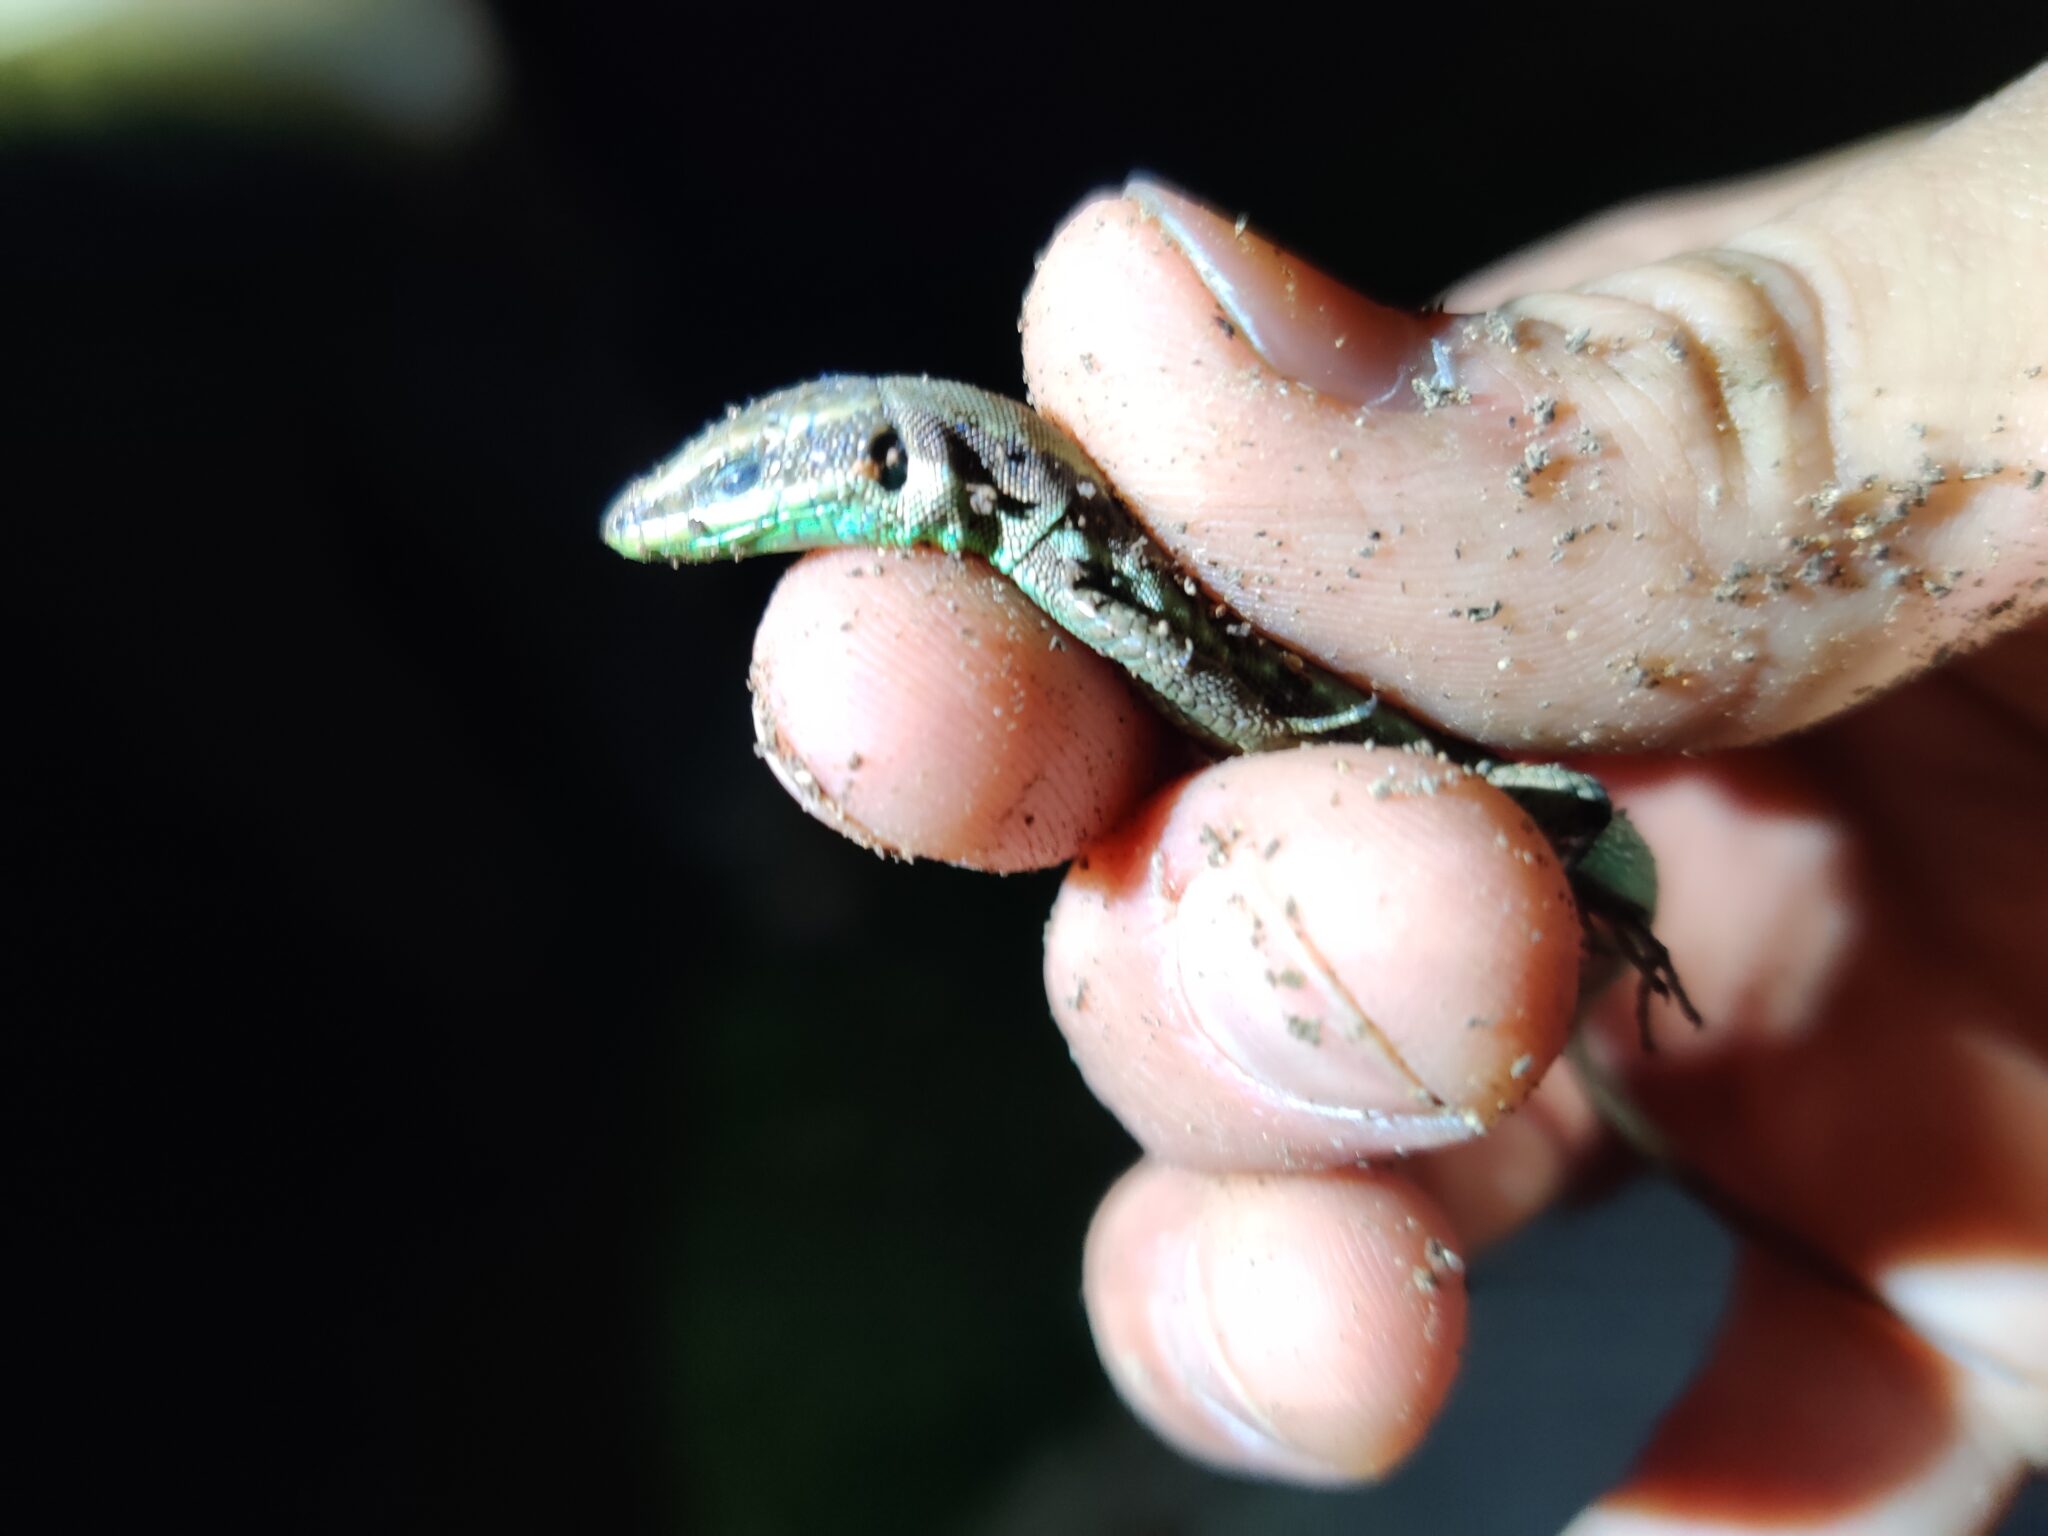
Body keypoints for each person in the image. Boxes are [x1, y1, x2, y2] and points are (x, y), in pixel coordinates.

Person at [741, 65, 2047, 1529]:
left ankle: (1623, 954)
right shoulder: (1023, 537)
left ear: (894, 465)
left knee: (1424, 903)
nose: (729, 509)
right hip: (1372, 781)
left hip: (1411, 738)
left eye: (748, 477)